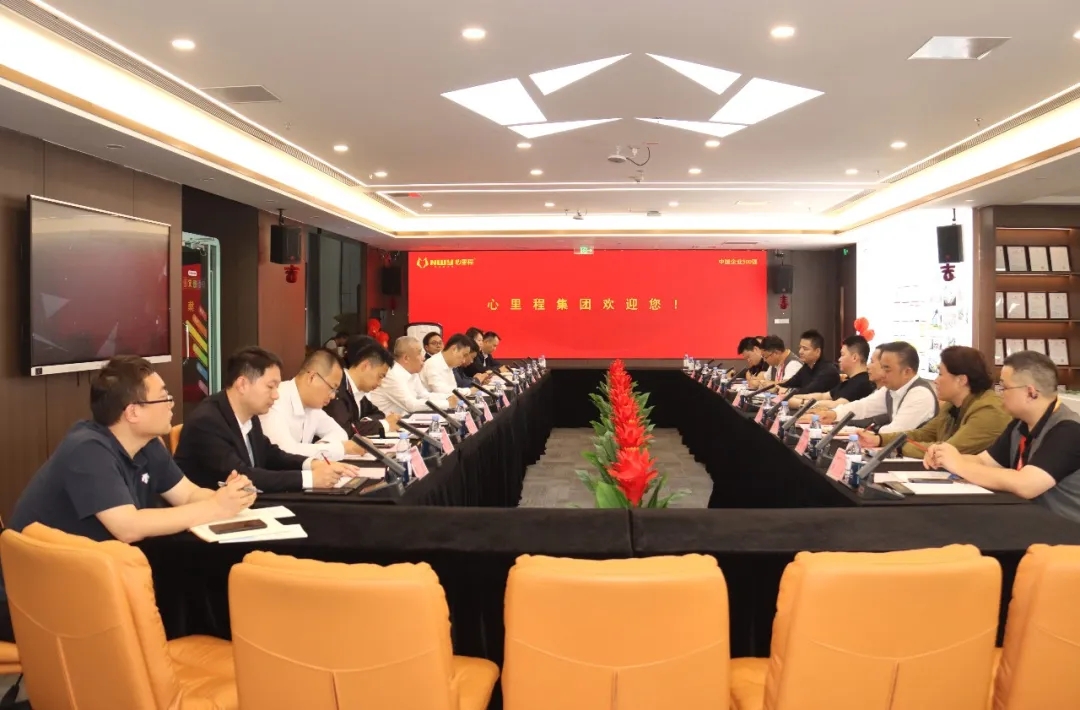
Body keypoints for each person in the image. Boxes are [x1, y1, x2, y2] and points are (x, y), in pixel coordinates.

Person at [0, 356, 256, 642]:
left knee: (189, 582)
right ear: (133, 412)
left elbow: (187, 494)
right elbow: (127, 526)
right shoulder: (87, 450)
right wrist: (215, 507)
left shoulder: (147, 443)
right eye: (164, 398)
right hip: (33, 597)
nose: (172, 405)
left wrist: (227, 497)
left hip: (90, 580)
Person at [175, 346, 358, 493]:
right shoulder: (207, 422)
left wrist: (312, 464)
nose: (276, 395)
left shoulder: (250, 415)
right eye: (270, 387)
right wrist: (310, 478)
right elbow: (243, 475)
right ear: (242, 384)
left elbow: (271, 455)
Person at [925, 351, 1080, 522]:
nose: (999, 394)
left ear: (1031, 393)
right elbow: (984, 461)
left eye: (1004, 388)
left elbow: (1026, 484)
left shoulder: (1069, 431)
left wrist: (959, 465)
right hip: (1030, 521)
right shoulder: (1019, 424)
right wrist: (944, 456)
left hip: (1066, 531)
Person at [861, 346, 1010, 459]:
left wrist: (897, 447)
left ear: (961, 380)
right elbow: (923, 434)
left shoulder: (989, 410)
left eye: (940, 374)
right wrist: (880, 440)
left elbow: (949, 450)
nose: (936, 380)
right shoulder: (951, 405)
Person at [812, 341, 937, 433]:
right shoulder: (890, 389)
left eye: (887, 369)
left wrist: (866, 433)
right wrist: (834, 414)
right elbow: (864, 406)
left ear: (907, 372)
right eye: (882, 367)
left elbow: (896, 431)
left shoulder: (920, 394)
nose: (882, 373)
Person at [324, 337, 398, 437]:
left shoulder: (359, 392)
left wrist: (364, 423)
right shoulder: (337, 387)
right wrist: (384, 425)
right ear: (365, 366)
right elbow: (344, 431)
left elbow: (378, 414)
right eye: (380, 376)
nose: (380, 383)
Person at [370, 336, 459, 415]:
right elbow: (411, 405)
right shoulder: (392, 375)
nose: (423, 358)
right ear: (406, 358)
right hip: (385, 424)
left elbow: (424, 395)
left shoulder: (412, 373)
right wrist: (447, 403)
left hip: (404, 420)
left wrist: (449, 397)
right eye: (419, 353)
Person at [791, 335, 876, 409]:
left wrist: (800, 403)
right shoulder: (849, 382)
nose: (839, 359)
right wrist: (793, 397)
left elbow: (836, 405)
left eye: (842, 355)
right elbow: (823, 396)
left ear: (854, 357)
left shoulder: (862, 383)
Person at [778, 329, 840, 396]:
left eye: (805, 349)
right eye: (800, 348)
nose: (800, 352)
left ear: (817, 351)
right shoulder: (807, 366)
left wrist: (787, 391)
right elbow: (789, 384)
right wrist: (777, 387)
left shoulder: (828, 371)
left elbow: (808, 391)